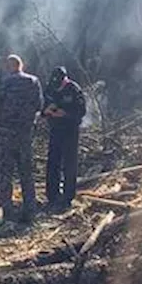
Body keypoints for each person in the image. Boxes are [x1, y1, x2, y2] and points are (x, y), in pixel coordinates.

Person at [0, 54, 43, 221]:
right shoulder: (33, 82)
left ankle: (8, 212)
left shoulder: (5, 83)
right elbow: (39, 106)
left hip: (6, 134)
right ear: (21, 65)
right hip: (25, 134)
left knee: (5, 174)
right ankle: (30, 210)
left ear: (9, 67)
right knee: (26, 172)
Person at [42, 65, 85, 211]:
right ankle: (52, 195)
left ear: (65, 79)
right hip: (55, 130)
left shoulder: (74, 89)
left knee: (69, 164)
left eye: (59, 83)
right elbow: (41, 106)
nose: (57, 87)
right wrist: (46, 111)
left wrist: (65, 113)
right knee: (53, 162)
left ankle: (68, 197)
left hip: (70, 131)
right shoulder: (49, 88)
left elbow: (81, 111)